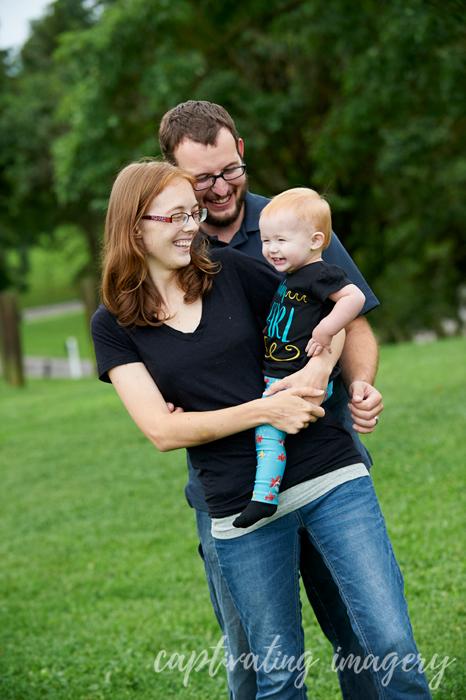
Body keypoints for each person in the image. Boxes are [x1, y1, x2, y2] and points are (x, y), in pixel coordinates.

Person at [91, 160, 432, 700]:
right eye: (176, 215)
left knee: (388, 644)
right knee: (275, 676)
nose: (191, 226)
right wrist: (263, 411)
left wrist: (321, 368)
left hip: (326, 471)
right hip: (237, 503)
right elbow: (160, 430)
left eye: (194, 213)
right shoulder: (113, 324)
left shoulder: (228, 270)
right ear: (134, 226)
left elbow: (329, 304)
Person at [158, 100, 383, 699]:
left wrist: (358, 381)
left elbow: (352, 318)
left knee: (359, 636)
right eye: (203, 178)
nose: (222, 187)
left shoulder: (293, 218)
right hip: (231, 483)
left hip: (323, 459)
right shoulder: (172, 248)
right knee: (256, 661)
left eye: (231, 169)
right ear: (176, 178)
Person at [234, 188, 366, 529]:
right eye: (265, 241)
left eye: (281, 240)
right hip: (280, 369)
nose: (271, 249)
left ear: (315, 240)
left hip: (295, 374)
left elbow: (354, 298)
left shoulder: (320, 273)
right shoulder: (293, 276)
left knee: (267, 430)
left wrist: (326, 329)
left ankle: (264, 497)